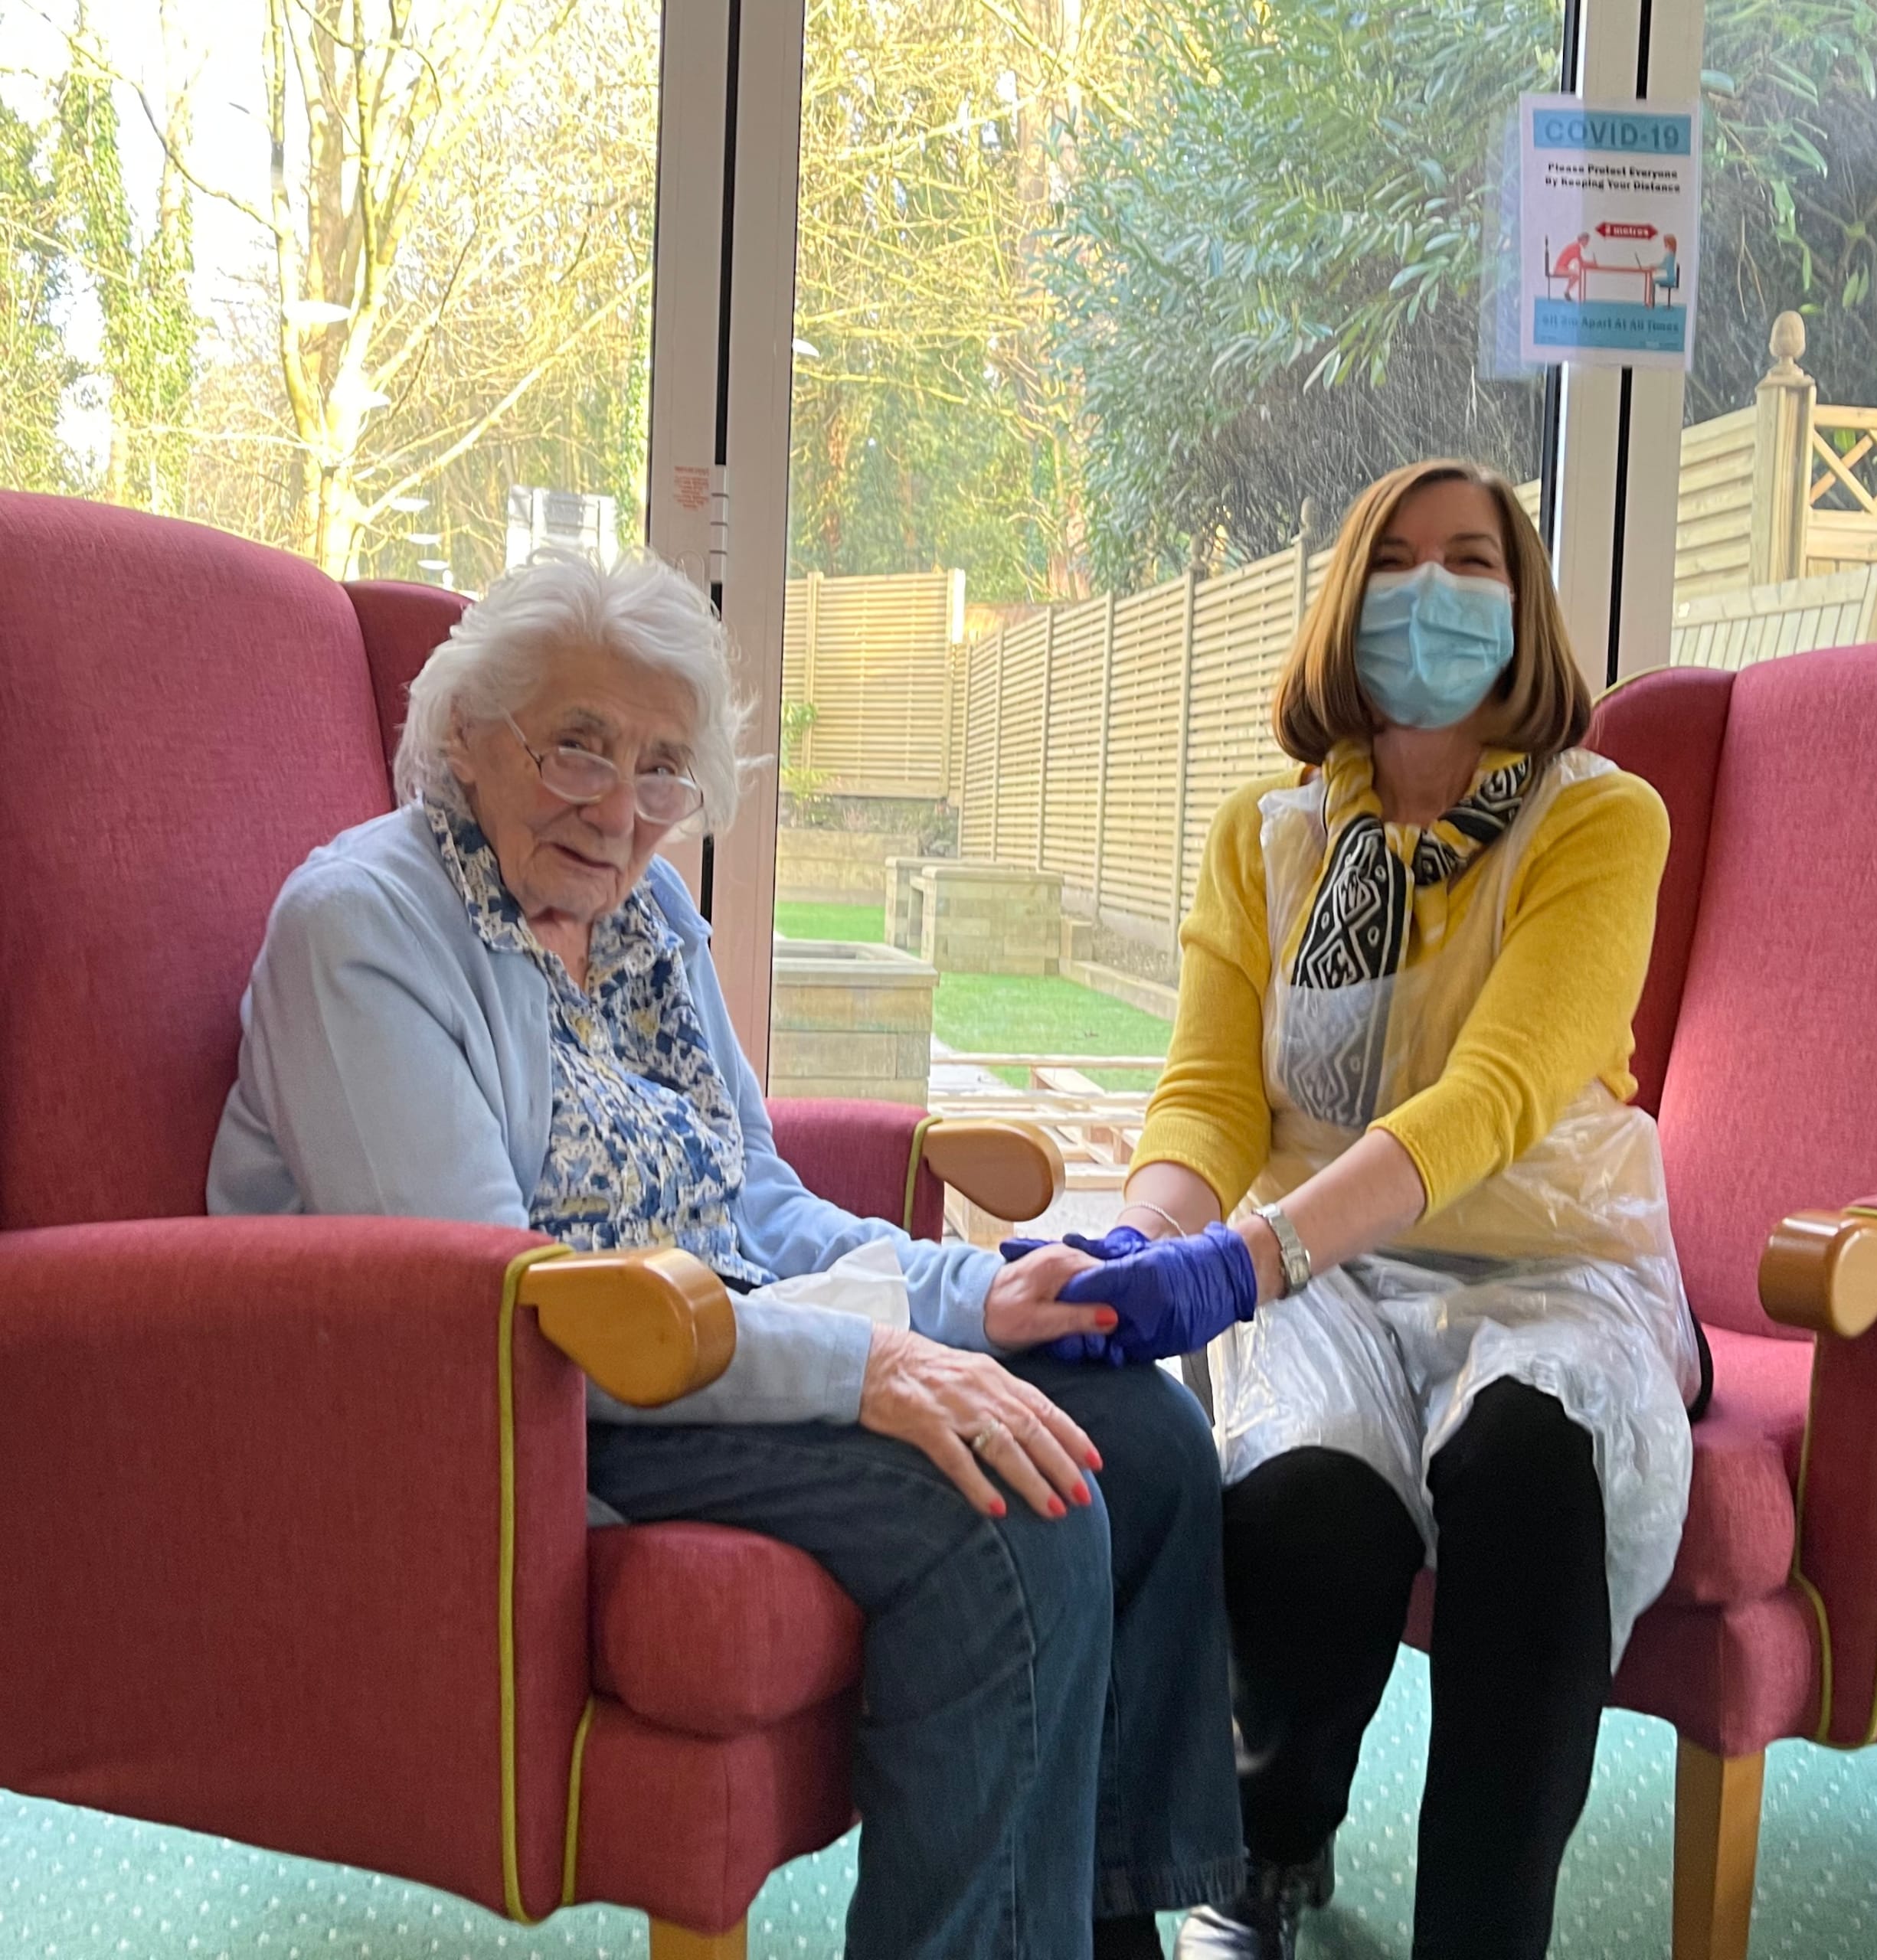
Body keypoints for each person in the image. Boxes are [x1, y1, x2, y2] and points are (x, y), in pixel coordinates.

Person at [206, 551, 1242, 1960]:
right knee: (1016, 1514)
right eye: (577, 745)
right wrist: (864, 1367)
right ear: (465, 735)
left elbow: (754, 1202)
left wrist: (977, 1296)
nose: (620, 809)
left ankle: (1099, 1928)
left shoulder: (645, 924)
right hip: (531, 1417)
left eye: (661, 769)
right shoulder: (365, 930)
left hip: (705, 1353)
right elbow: (492, 1307)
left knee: (1151, 1438)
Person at [1033, 460, 1707, 1960]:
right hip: (1327, 1282)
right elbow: (1210, 1097)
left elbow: (1495, 1092)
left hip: (1545, 1261)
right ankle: (1263, 1851)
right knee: (1301, 1510)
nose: (1429, 590)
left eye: (1469, 559)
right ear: (1342, 604)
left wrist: (1247, 1252)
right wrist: (1147, 1240)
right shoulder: (1262, 839)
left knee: (1534, 1472)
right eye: (1393, 559)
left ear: (1521, 604)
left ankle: (1484, 1930)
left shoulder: (1602, 820)